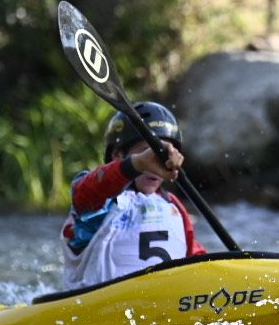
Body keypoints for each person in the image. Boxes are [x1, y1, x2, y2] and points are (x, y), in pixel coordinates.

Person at [62, 103, 209, 288]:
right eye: (145, 152)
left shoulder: (173, 206)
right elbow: (83, 193)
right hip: (96, 309)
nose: (154, 162)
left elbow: (196, 258)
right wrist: (137, 164)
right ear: (117, 155)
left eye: (162, 155)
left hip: (161, 306)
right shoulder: (101, 199)